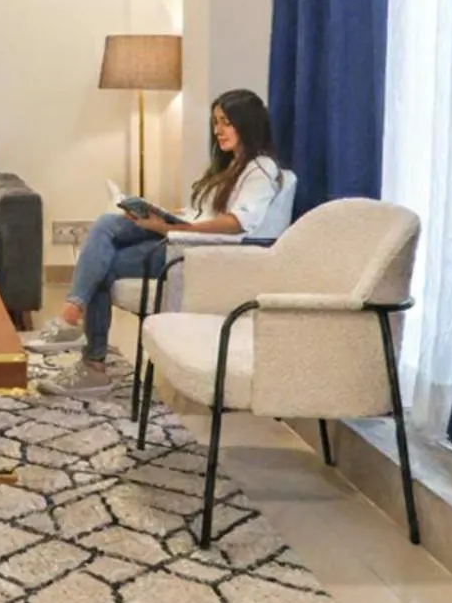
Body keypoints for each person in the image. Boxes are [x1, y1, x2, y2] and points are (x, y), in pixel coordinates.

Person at [34, 88, 287, 398]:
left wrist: (171, 227)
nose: (218, 130)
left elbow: (237, 223)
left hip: (199, 254)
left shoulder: (261, 170)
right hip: (185, 236)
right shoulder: (229, 166)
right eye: (215, 122)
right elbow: (206, 213)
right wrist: (163, 216)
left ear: (247, 123)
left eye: (226, 122)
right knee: (107, 224)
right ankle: (76, 322)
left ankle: (86, 351)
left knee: (103, 265)